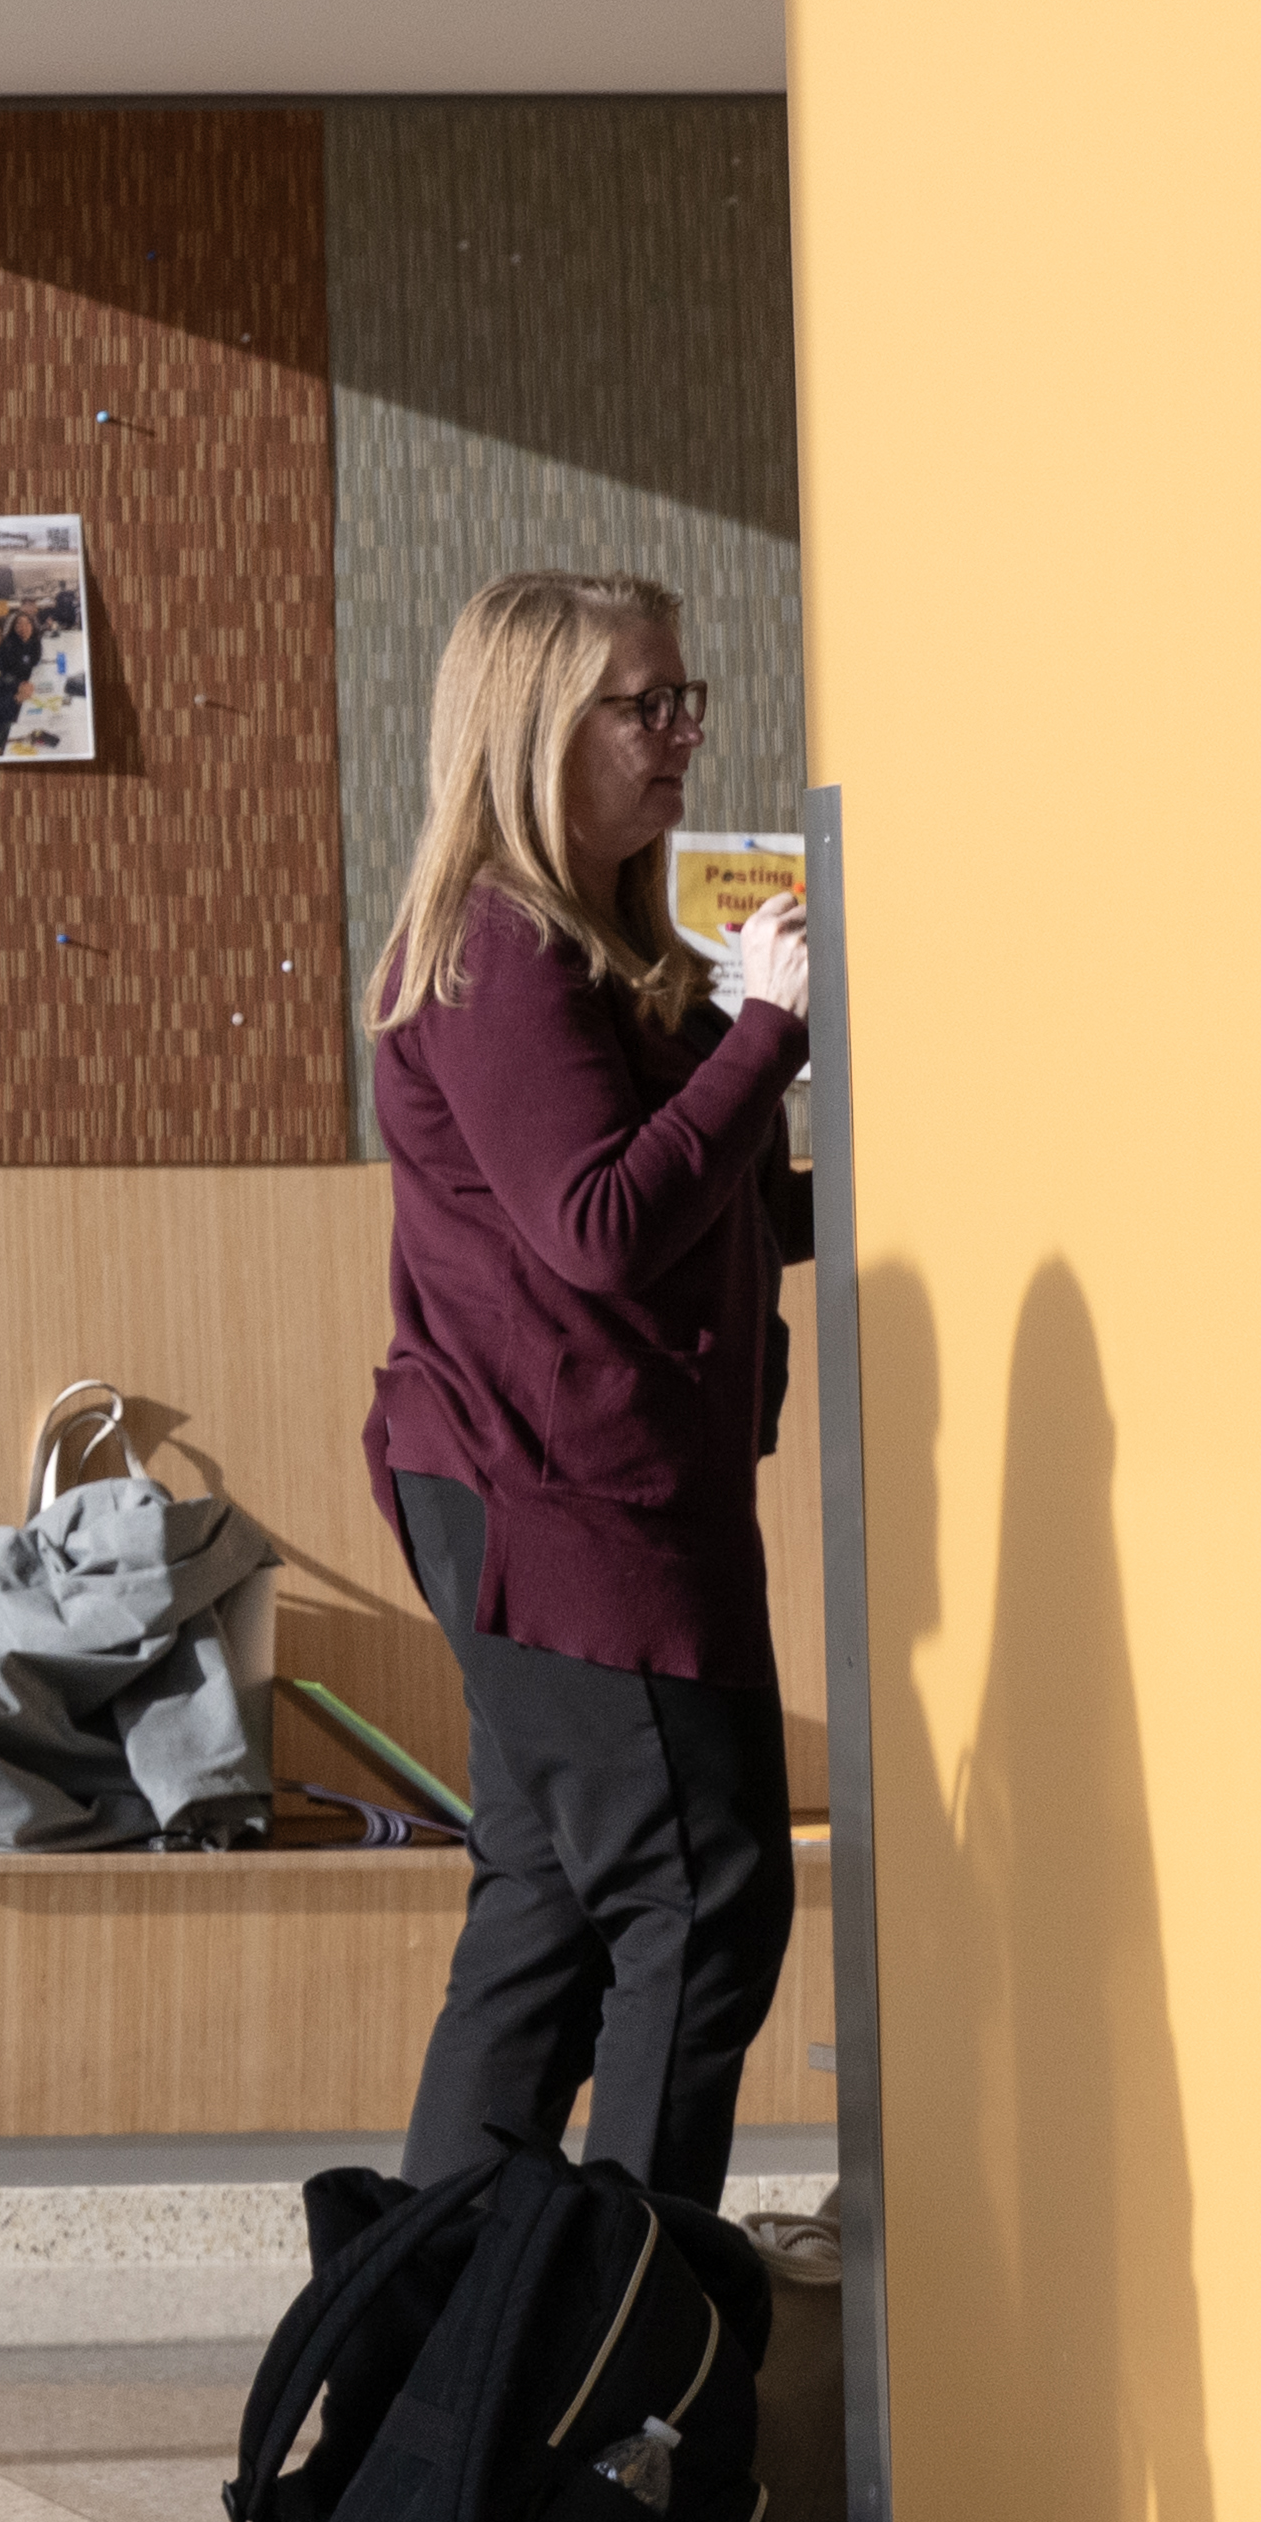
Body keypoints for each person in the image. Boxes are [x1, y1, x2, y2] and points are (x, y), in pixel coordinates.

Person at [359, 571, 816, 2219]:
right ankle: (614, 2353)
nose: (681, 732)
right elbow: (601, 1223)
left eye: (684, 697)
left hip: (568, 1488)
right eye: (645, 704)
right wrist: (764, 1028)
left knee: (546, 1921)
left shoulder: (596, 946)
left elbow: (692, 1198)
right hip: (559, 1503)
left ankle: (442, 2357)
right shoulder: (495, 943)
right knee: (697, 1911)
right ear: (535, 728)